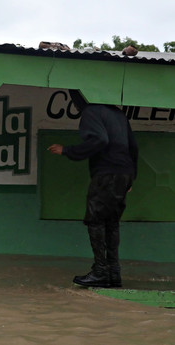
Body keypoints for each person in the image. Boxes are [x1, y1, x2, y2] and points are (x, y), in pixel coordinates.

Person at [49, 90, 138, 288]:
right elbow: (133, 147)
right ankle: (113, 273)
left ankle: (99, 272)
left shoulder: (91, 111)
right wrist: (131, 178)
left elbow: (100, 140)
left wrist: (67, 150)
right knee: (111, 222)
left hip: (106, 174)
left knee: (95, 220)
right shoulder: (118, 113)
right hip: (124, 172)